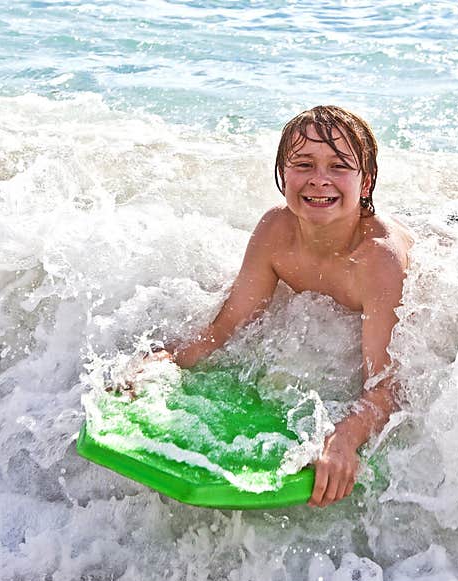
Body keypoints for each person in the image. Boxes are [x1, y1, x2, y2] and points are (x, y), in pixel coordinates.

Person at [153, 105, 413, 508]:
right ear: (283, 175)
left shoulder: (377, 260)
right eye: (303, 163)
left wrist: (343, 438)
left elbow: (385, 387)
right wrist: (166, 360)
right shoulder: (275, 231)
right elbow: (226, 328)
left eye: (339, 165)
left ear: (367, 182)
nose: (319, 180)